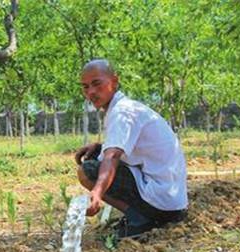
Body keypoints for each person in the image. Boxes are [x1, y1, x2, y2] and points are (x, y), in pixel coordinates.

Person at [75, 59, 188, 239]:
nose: (91, 92)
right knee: (97, 155)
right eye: (85, 87)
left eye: (97, 84)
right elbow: (118, 148)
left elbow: (112, 156)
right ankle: (142, 214)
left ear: (114, 81)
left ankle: (141, 219)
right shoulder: (124, 108)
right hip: (172, 199)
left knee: (87, 170)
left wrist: (96, 193)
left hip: (163, 202)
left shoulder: (122, 112)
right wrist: (99, 147)